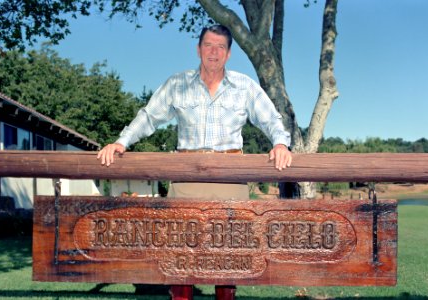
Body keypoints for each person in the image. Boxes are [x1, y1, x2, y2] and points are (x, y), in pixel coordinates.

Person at [97, 24, 292, 299]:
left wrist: (280, 143)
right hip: (186, 181)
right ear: (198, 48)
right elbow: (149, 116)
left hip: (230, 182)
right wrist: (121, 142)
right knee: (182, 257)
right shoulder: (177, 84)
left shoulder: (245, 86)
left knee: (228, 258)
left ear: (228, 53)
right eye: (208, 45)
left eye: (220, 47)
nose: (214, 52)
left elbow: (271, 119)